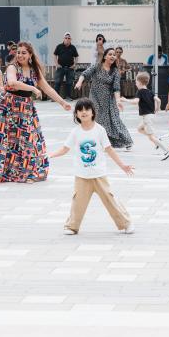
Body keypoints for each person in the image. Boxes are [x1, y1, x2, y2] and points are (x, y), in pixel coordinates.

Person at [0, 42, 71, 183]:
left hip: (25, 109)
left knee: (29, 140)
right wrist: (33, 88)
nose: (20, 55)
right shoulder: (12, 67)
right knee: (4, 139)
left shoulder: (34, 70)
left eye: (24, 53)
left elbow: (48, 88)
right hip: (8, 107)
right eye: (18, 52)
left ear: (30, 55)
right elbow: (12, 82)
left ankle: (24, 171)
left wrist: (62, 102)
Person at [50, 97, 136, 235]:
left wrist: (123, 166)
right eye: (80, 110)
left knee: (110, 199)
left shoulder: (100, 130)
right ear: (76, 114)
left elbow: (109, 149)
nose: (84, 112)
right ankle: (71, 226)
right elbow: (65, 149)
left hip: (98, 174)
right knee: (78, 202)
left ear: (93, 112)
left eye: (87, 109)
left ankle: (126, 223)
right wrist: (50, 155)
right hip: (82, 175)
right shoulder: (75, 132)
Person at [75, 48, 134, 151]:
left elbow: (116, 88)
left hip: (109, 99)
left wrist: (118, 101)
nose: (112, 56)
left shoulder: (115, 71)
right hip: (95, 97)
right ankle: (99, 141)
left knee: (115, 119)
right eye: (110, 54)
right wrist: (79, 82)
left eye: (114, 55)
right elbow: (85, 74)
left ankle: (126, 141)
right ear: (105, 56)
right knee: (98, 118)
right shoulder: (97, 66)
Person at [124, 71, 169, 160]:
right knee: (139, 129)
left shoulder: (140, 92)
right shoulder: (150, 92)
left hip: (147, 117)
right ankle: (157, 140)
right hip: (149, 116)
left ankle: (166, 151)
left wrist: (125, 100)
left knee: (151, 137)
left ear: (139, 82)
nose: (135, 83)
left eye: (136, 82)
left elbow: (135, 102)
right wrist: (157, 108)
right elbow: (158, 100)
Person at [53, 32, 80, 100]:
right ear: (63, 39)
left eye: (69, 38)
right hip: (60, 67)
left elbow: (76, 56)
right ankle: (55, 97)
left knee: (69, 83)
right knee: (57, 82)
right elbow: (55, 55)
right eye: (66, 38)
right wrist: (56, 64)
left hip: (70, 68)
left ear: (71, 39)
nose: (67, 39)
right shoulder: (59, 46)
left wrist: (74, 65)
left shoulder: (73, 47)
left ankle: (68, 97)